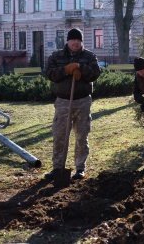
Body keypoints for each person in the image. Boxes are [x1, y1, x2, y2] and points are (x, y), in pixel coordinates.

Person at [44, 28, 101, 181]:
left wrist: (81, 68)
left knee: (82, 136)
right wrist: (66, 70)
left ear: (81, 41)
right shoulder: (57, 56)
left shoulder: (89, 56)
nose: (76, 42)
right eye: (73, 39)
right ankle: (57, 168)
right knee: (60, 136)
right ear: (67, 41)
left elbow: (95, 74)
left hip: (83, 101)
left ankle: (80, 168)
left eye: (78, 40)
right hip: (63, 101)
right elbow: (49, 74)